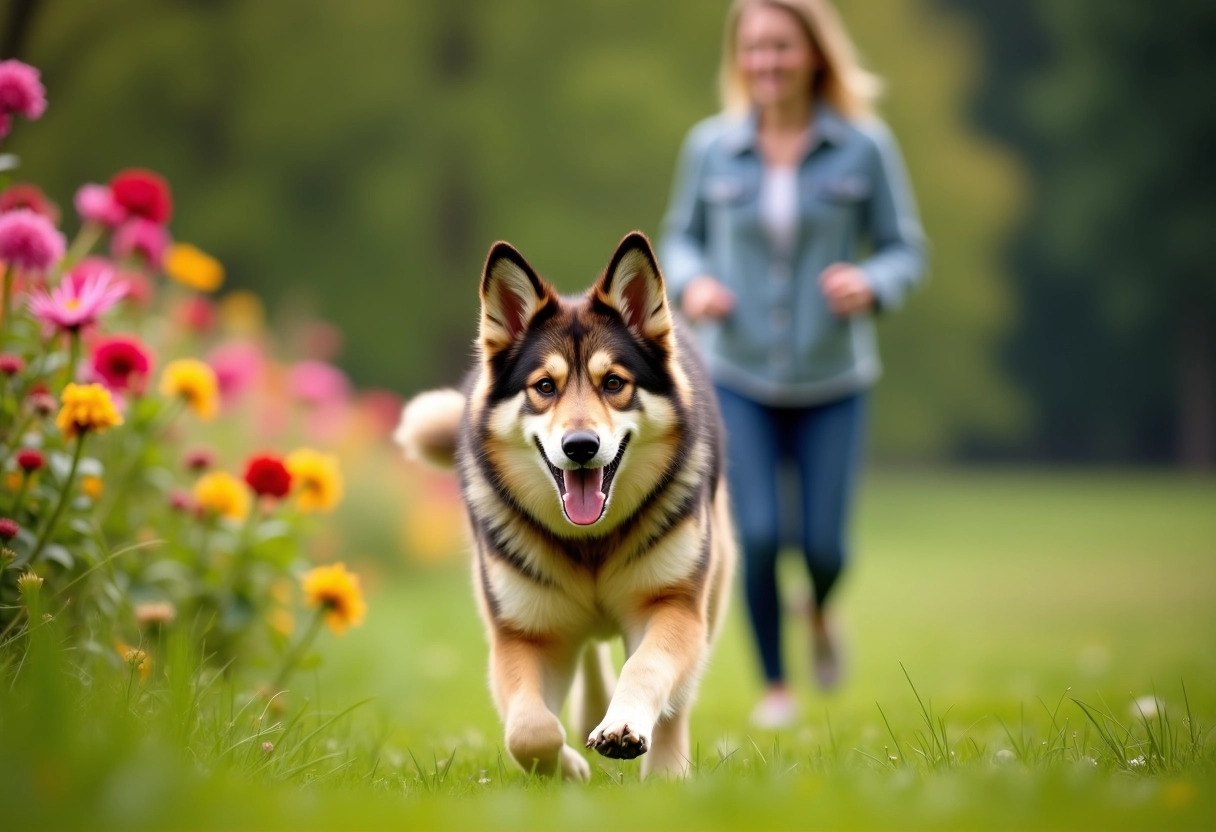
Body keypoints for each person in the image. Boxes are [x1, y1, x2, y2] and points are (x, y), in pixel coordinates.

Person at [657, 0, 927, 728]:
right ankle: (777, 687)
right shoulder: (710, 148)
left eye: (781, 47)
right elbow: (678, 240)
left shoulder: (863, 148)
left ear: (814, 54)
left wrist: (873, 283)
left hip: (833, 377)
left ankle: (822, 606)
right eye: (754, 49)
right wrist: (694, 284)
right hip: (735, 376)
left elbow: (906, 247)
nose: (766, 63)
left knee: (826, 546)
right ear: (739, 58)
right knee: (760, 533)